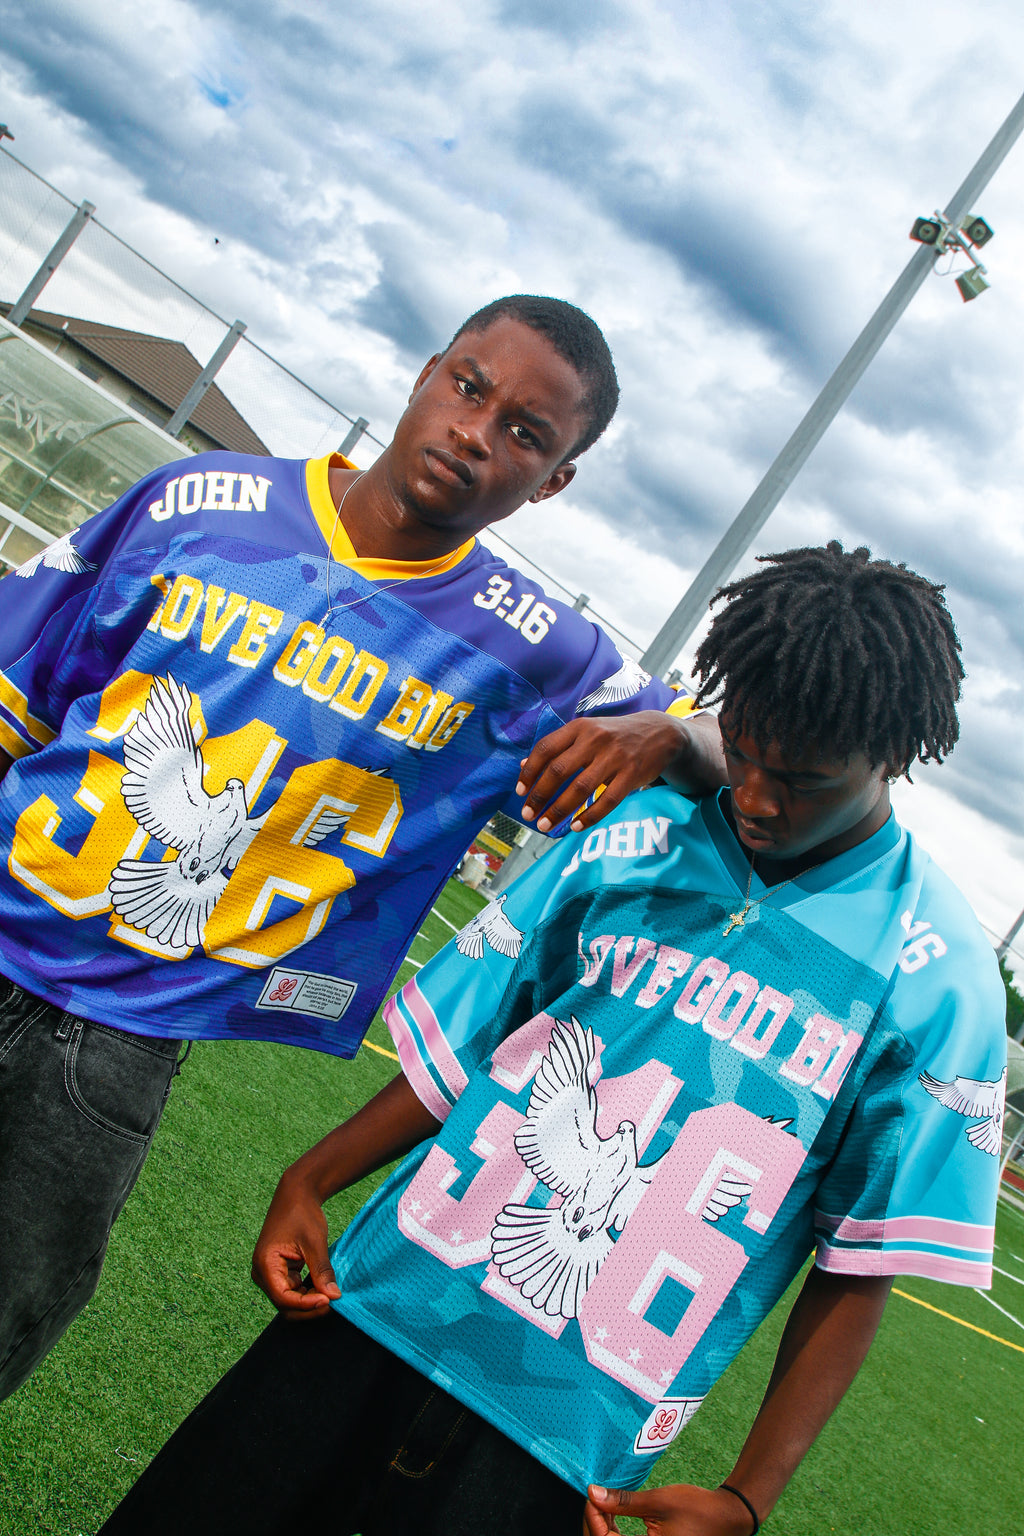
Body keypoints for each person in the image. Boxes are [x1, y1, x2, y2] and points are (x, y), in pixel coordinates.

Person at [98, 542, 1006, 1536]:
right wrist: (312, 1178)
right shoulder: (638, 837)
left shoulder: (939, 983)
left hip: (569, 1425)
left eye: (802, 782)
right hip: (381, 1306)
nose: (753, 797)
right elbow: (474, 1048)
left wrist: (750, 1495)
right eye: (741, 753)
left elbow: (858, 1261)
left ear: (896, 757)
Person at [0, 293, 723, 1401]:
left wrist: (667, 724)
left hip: (120, 1038)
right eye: (469, 386)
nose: (477, 431)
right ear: (428, 371)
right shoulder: (202, 501)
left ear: (554, 479)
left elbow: (748, 755)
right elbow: (21, 694)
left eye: (527, 433)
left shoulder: (536, 654)